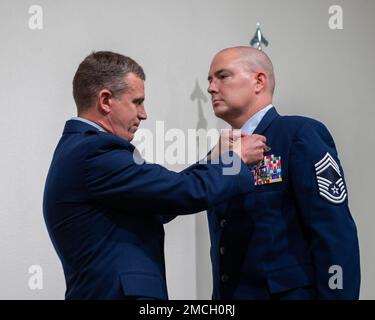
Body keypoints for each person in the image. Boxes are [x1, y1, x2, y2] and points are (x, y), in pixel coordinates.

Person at [43, 51, 266, 300]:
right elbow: (182, 192)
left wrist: (212, 160)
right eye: (137, 102)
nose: (143, 114)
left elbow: (161, 202)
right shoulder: (94, 152)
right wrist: (236, 160)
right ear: (105, 101)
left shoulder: (79, 150)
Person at [206, 46, 360, 300]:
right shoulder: (221, 153)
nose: (211, 88)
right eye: (210, 80)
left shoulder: (297, 134)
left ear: (259, 81)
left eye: (222, 76)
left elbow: (333, 233)